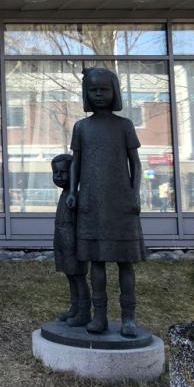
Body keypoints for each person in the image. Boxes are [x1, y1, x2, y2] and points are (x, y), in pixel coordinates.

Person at [66, 67, 146, 338]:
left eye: (104, 89)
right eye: (93, 90)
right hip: (92, 202)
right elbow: (76, 162)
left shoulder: (124, 126)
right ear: (86, 93)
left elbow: (135, 163)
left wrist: (135, 193)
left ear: (114, 92)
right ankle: (99, 315)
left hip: (120, 203)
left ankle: (128, 317)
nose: (99, 94)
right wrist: (73, 191)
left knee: (125, 262)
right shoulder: (82, 127)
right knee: (96, 263)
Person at [51, 153, 89, 326]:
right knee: (70, 276)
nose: (58, 176)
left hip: (73, 244)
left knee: (78, 277)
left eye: (63, 172)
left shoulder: (76, 196)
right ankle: (75, 307)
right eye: (55, 172)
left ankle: (84, 312)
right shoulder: (65, 194)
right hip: (63, 242)